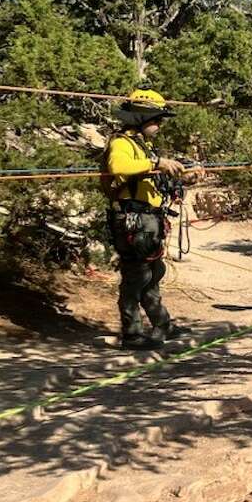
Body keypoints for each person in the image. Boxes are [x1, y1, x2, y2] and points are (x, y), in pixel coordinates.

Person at [103, 89, 200, 351]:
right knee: (136, 275)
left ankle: (162, 323)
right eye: (156, 118)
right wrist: (156, 162)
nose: (160, 124)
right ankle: (132, 333)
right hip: (133, 219)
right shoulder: (122, 142)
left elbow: (152, 176)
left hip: (149, 219)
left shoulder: (142, 145)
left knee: (153, 272)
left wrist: (181, 176)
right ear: (140, 118)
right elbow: (118, 166)